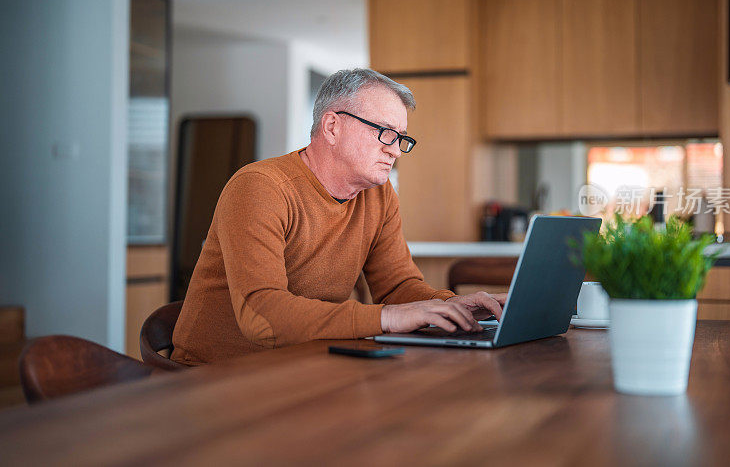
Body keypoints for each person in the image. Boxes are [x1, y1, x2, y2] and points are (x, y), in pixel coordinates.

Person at [171, 68, 506, 364]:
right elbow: (263, 315)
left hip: (304, 364)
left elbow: (398, 286)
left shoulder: (379, 195)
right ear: (332, 126)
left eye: (401, 137)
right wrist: (387, 318)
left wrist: (456, 306)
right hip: (217, 375)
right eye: (385, 132)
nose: (393, 148)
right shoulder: (260, 187)